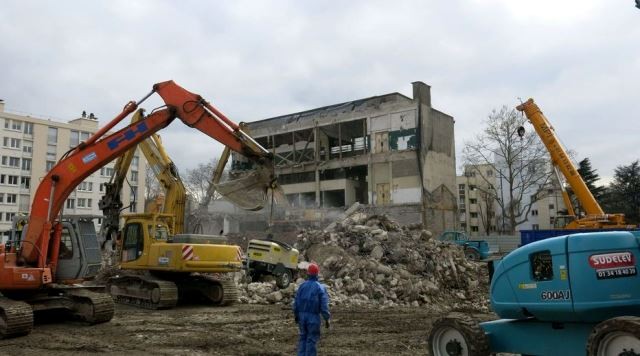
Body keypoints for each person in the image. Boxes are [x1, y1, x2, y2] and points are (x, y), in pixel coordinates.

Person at [293, 263, 331, 356]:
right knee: (311, 340)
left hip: (302, 317)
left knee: (303, 338)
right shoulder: (320, 288)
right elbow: (324, 306)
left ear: (308, 274)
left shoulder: (302, 286)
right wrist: (327, 319)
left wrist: (296, 316)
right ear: (317, 274)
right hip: (313, 318)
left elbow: (295, 303)